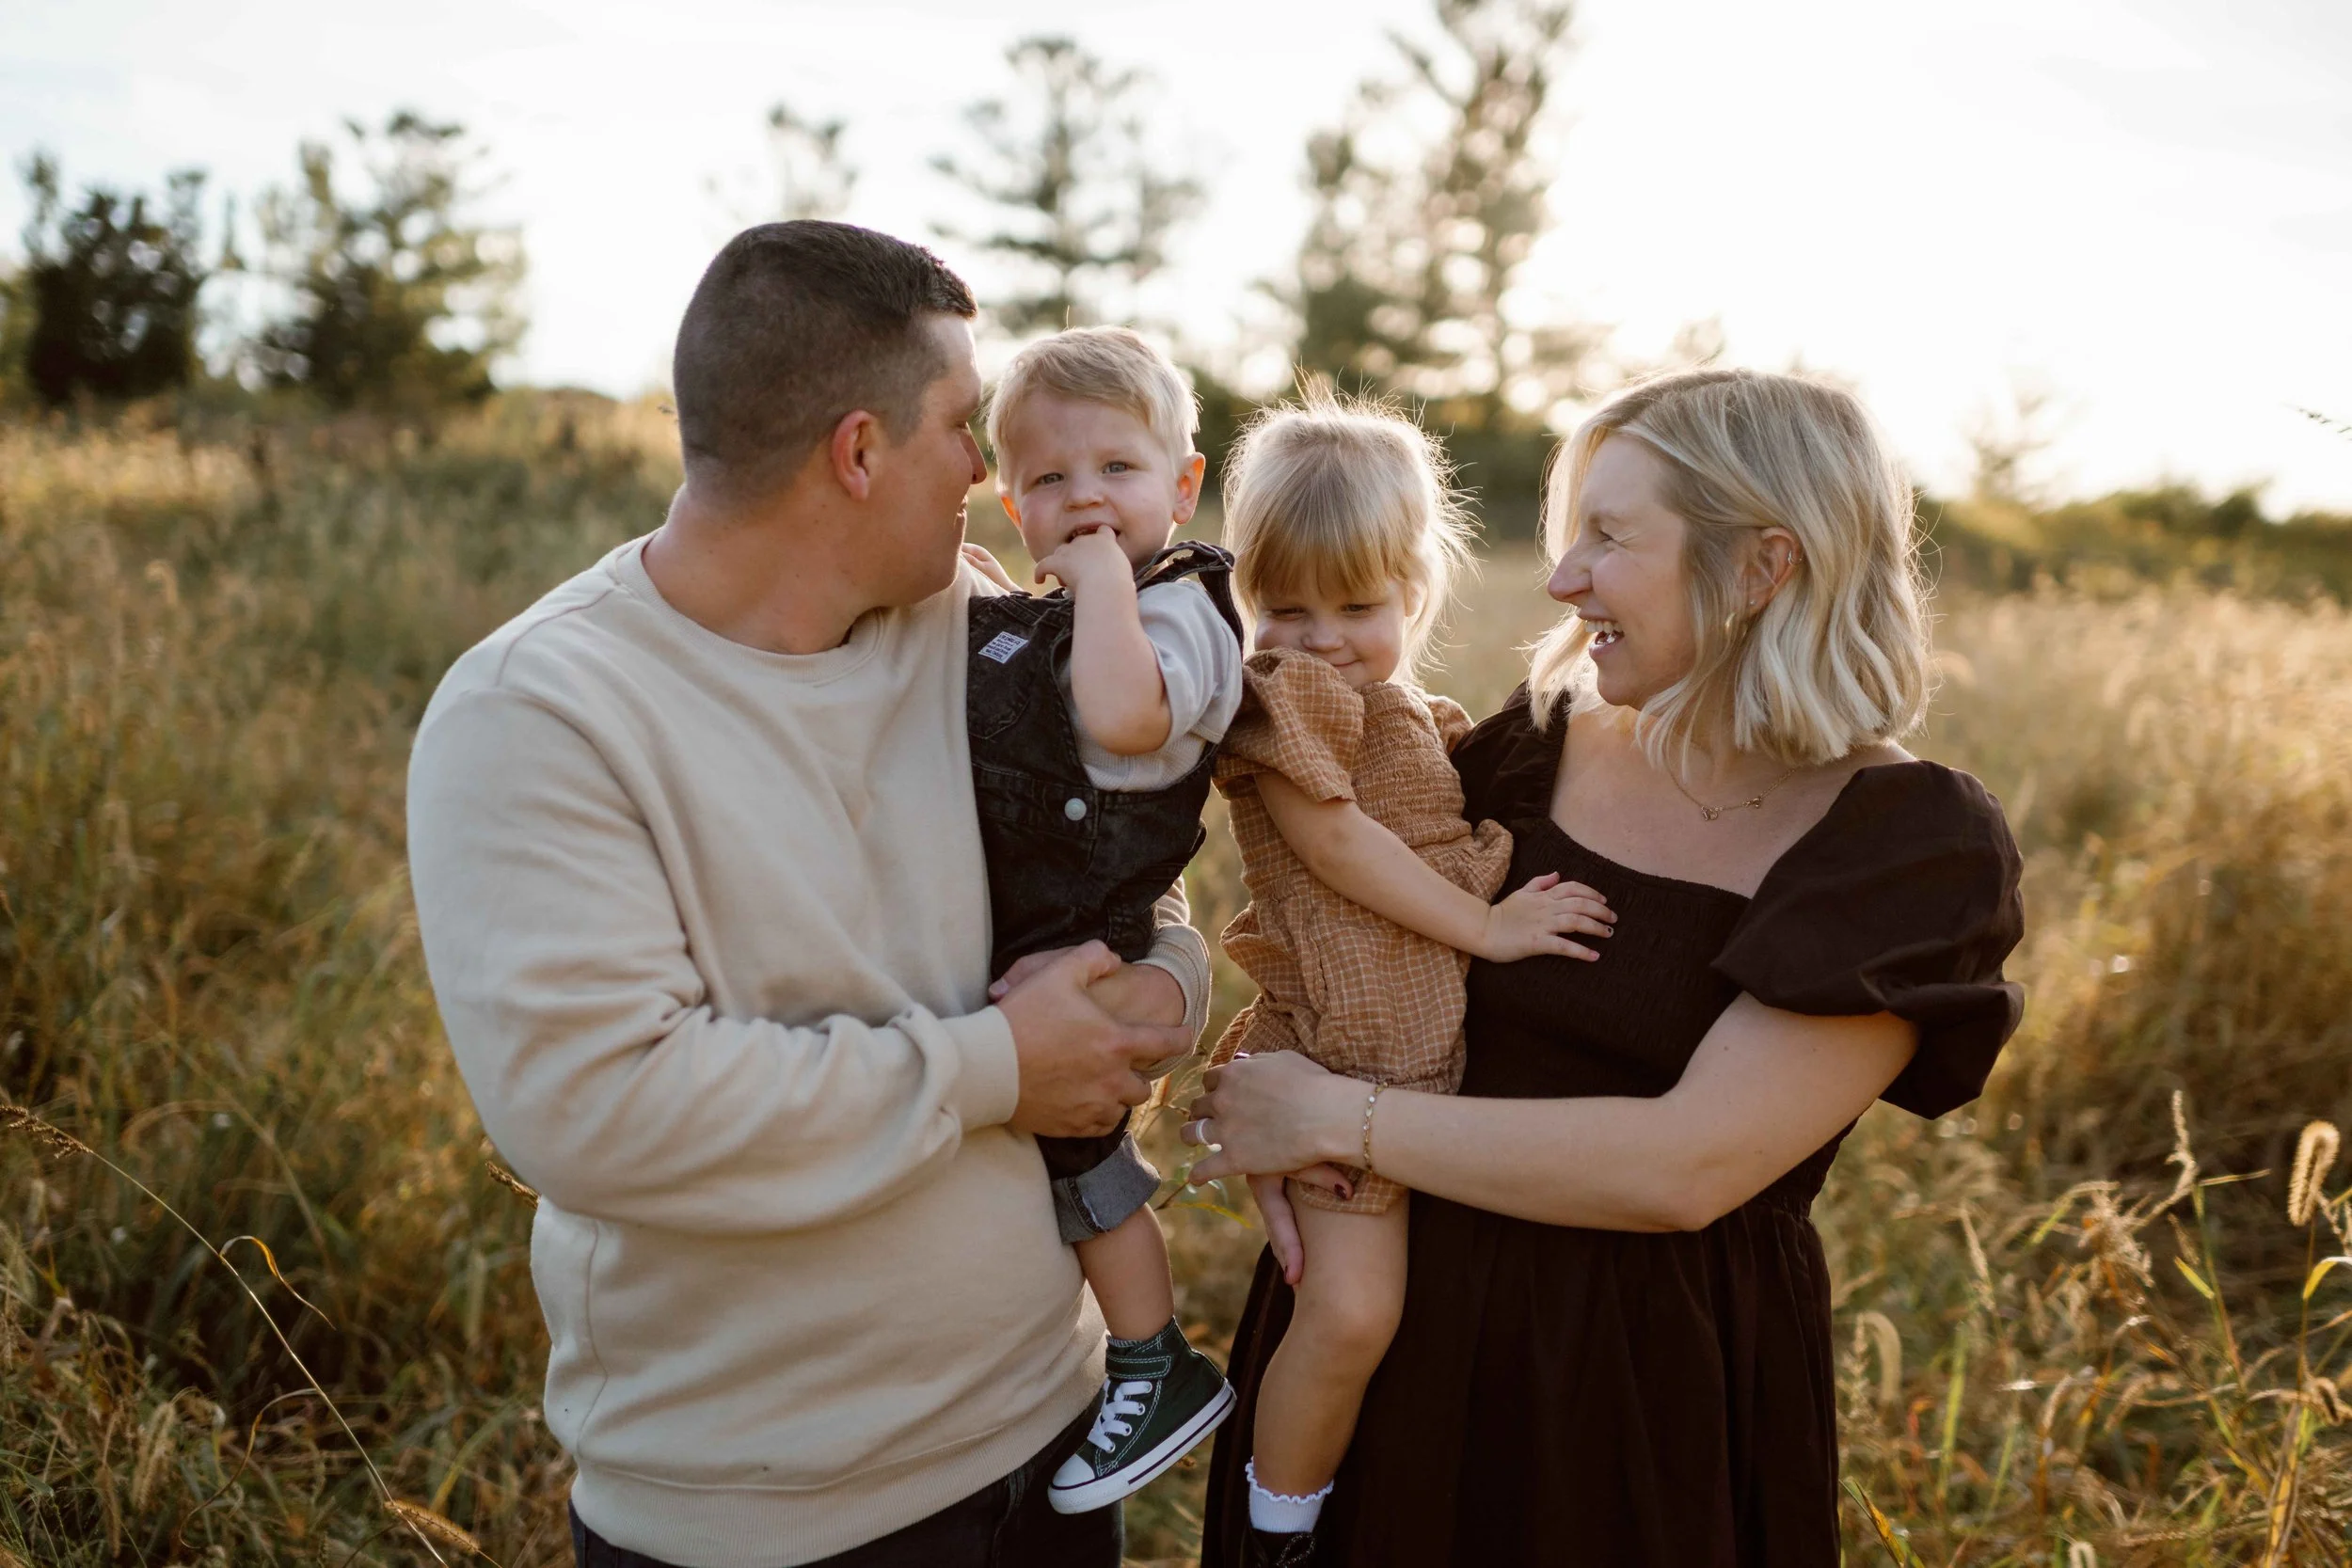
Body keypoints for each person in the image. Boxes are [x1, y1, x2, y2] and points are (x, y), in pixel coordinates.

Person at [406, 221, 1211, 1568]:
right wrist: (1003, 1063)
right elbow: (601, 1109)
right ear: (857, 451)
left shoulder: (967, 614)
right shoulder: (539, 709)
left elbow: (1105, 863)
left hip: (1058, 1436)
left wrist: (1160, 988)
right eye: (963, 424)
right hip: (774, 1516)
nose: (985, 468)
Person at [1184, 367, 2027, 1567]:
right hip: (1384, 1340)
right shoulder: (1529, 743)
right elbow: (1346, 940)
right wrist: (1264, 1085)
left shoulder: (1908, 846)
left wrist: (1333, 1116)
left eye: (1608, 536)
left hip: (1634, 1396)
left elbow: (1683, 1166)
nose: (1564, 577)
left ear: (1762, 567)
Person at [1203, 396, 1614, 1566]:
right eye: (1286, 606)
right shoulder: (1278, 703)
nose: (1323, 635)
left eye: (1358, 605)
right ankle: (1275, 1526)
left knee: (1411, 1318)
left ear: (1414, 591)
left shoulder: (1413, 718)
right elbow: (1336, 846)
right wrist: (1487, 932)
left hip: (1407, 1057)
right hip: (1350, 1047)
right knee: (1350, 1310)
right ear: (1246, 600)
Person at [961, 326, 1246, 1513]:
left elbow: (1127, 722)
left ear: (1181, 485)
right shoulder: (1054, 596)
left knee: (1085, 1165)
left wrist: (1106, 585)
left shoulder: (1177, 609)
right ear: (1008, 498)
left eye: (1117, 472)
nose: (1085, 500)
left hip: (1091, 937)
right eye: (1048, 479)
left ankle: (1155, 1358)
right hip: (1018, 932)